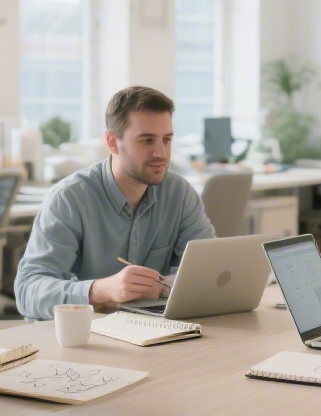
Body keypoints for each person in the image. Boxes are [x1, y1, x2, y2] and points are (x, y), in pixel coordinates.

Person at [14, 86, 215, 319]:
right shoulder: (69, 198)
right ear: (112, 142)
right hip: (82, 337)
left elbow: (208, 270)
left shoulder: (179, 193)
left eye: (166, 140)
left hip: (151, 331)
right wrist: (101, 290)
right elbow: (27, 291)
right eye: (147, 140)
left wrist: (161, 286)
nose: (160, 152)